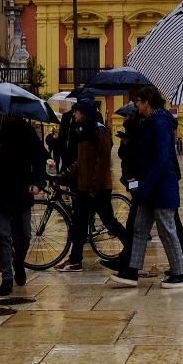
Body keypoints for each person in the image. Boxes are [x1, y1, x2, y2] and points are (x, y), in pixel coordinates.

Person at [110, 85, 183, 288]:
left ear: (147, 102)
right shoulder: (151, 121)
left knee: (167, 229)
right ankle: (131, 271)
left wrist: (146, 185)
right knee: (139, 228)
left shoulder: (161, 122)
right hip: (148, 188)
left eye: (138, 101)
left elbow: (162, 158)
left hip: (160, 187)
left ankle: (179, 273)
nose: (136, 105)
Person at [60, 100, 125, 271]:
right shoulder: (84, 132)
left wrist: (94, 189)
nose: (74, 115)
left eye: (77, 112)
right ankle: (75, 260)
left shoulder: (100, 132)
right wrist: (65, 174)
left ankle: (131, 248)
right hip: (84, 187)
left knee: (109, 221)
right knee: (78, 225)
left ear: (85, 113)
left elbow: (101, 163)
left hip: (98, 188)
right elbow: (83, 161)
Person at [0, 113, 46, 296]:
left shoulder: (26, 130)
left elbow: (39, 158)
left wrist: (38, 182)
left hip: (22, 191)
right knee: (3, 235)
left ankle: (18, 261)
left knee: (25, 235)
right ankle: (6, 278)